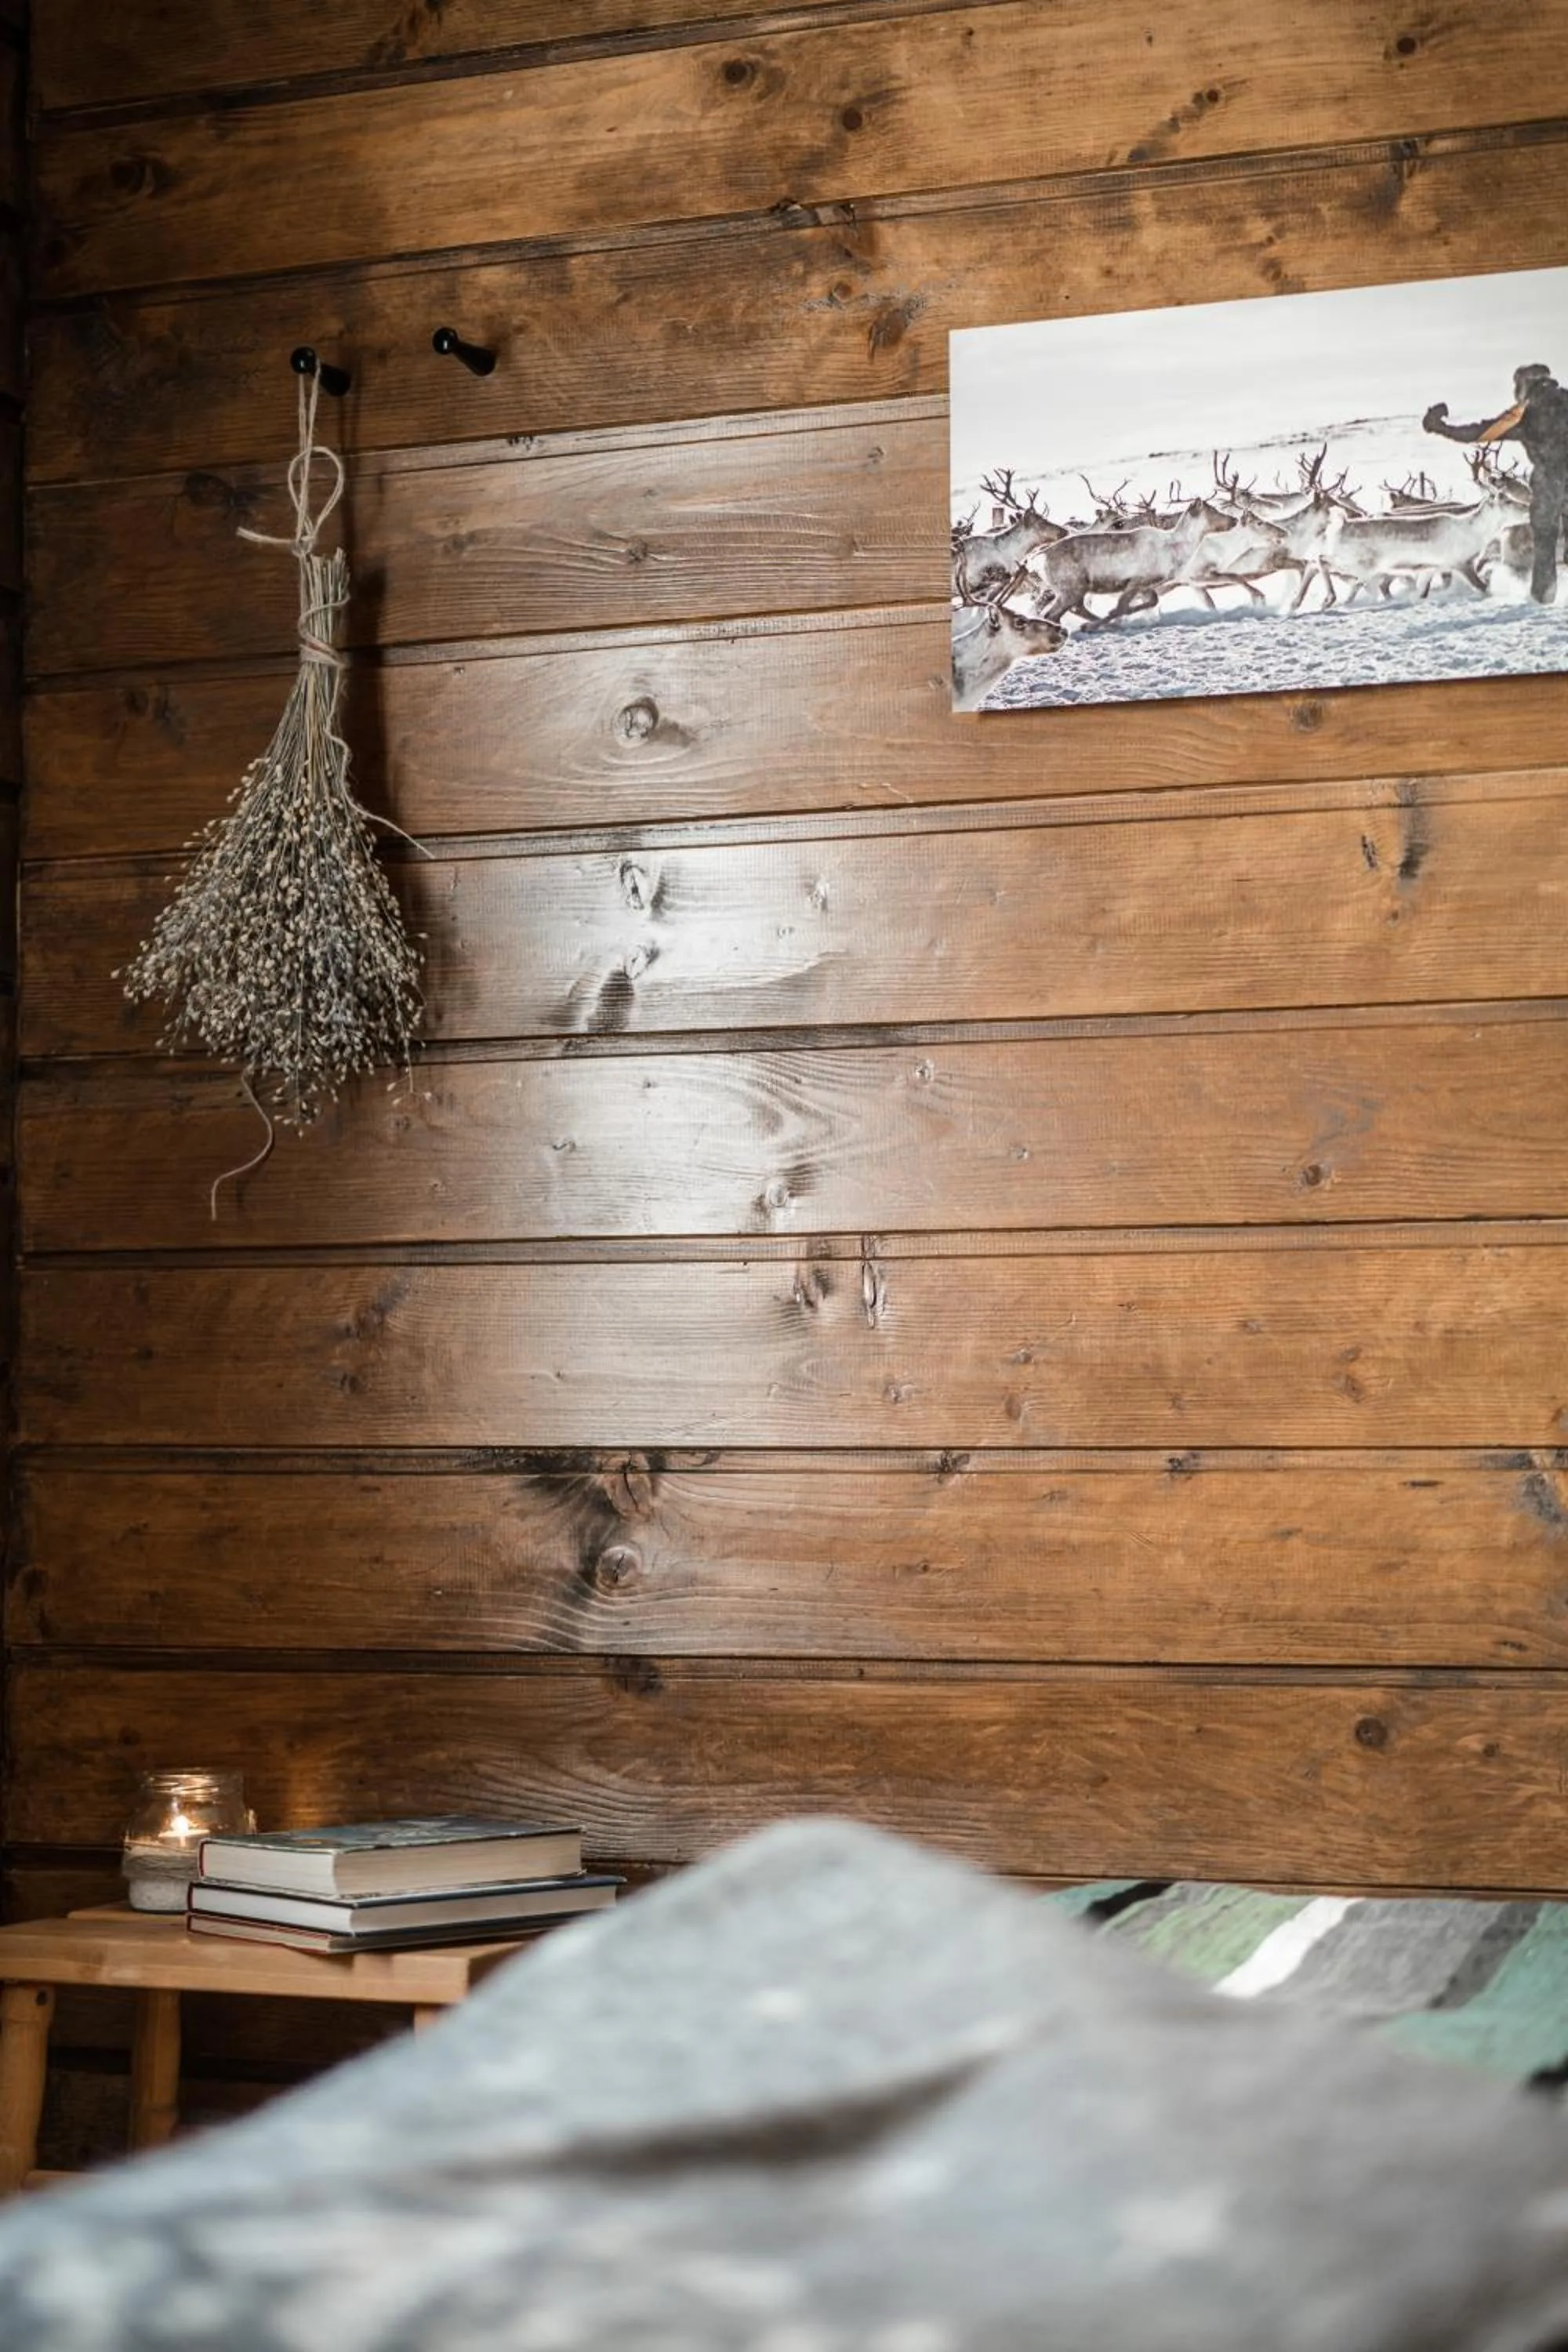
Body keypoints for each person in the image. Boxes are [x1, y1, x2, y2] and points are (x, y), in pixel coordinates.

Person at [1423, 361, 1568, 604]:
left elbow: (1481, 432)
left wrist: (1440, 427)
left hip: (1550, 480)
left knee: (1545, 540)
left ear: (1525, 384)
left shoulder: (1524, 413)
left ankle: (1543, 598)